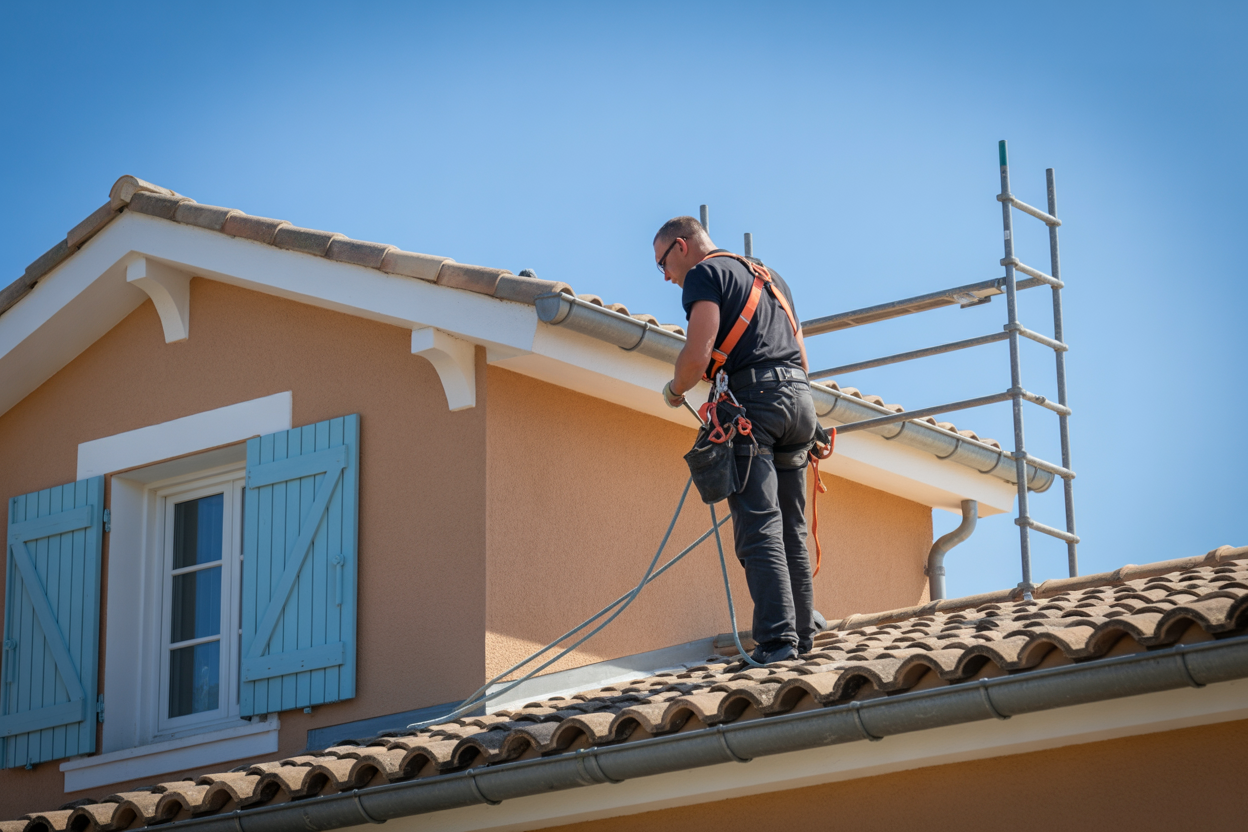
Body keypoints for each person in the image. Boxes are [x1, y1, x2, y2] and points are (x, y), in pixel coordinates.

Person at [654, 216, 820, 664]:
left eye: (662, 264)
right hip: (800, 404)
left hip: (756, 405)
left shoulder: (705, 274)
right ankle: (802, 638)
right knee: (792, 530)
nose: (667, 277)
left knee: (759, 528)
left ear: (682, 246)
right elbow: (802, 354)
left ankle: (778, 642)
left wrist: (675, 389)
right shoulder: (770, 277)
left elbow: (698, 353)